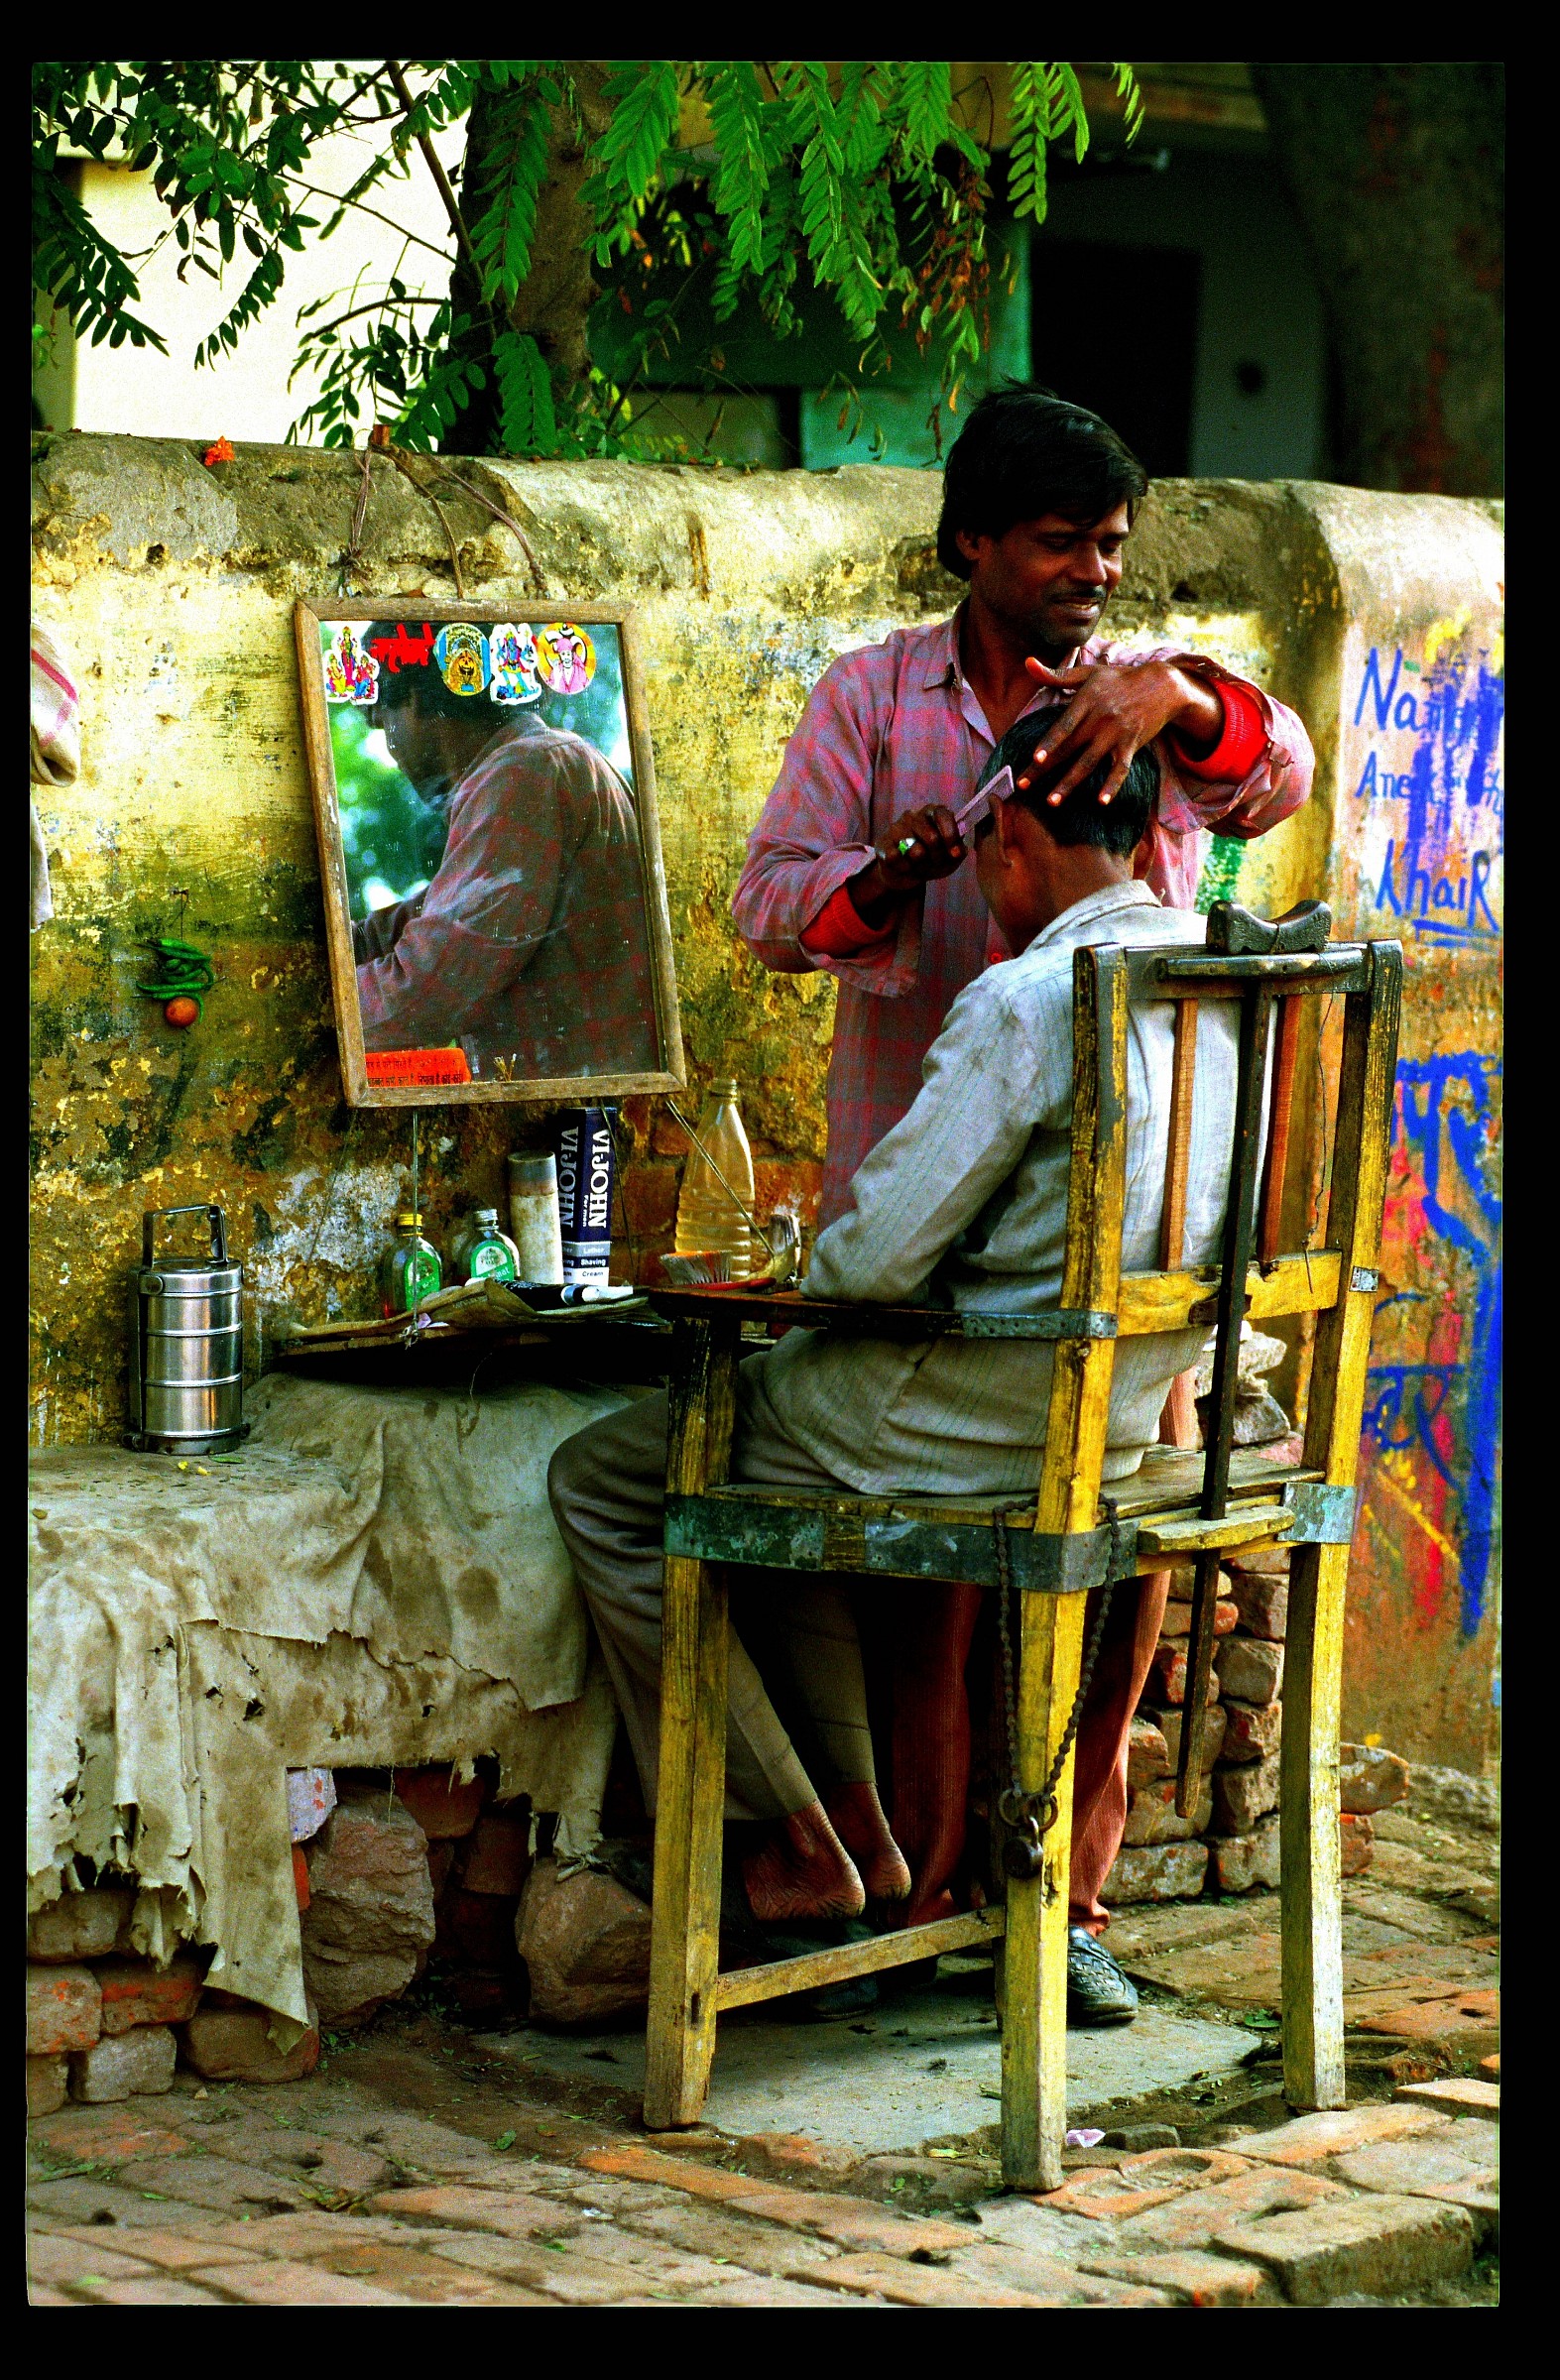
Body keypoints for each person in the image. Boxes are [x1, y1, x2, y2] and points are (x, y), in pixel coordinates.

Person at [728, 383, 1316, 1967]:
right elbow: (767, 909)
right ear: (970, 542)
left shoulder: (1148, 691)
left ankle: (1066, 1897)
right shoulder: (871, 699)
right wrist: (889, 874)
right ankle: (931, 1896)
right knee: (940, 1582)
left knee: (1106, 1568)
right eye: (1060, 544)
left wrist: (1179, 704)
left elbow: (1280, 778)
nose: (1093, 575)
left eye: (1111, 546)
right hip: (927, 1167)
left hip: (1112, 1224)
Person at [549, 739, 1247, 2022]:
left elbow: (870, 1265)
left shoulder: (1027, 1000)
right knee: (762, 1477)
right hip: (1117, 1425)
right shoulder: (1228, 982)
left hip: (958, 1424)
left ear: (1014, 847)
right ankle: (855, 1843)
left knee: (604, 1474)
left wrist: (783, 1268)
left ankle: (795, 1838)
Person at [351, 638, 660, 1082]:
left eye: (385, 726)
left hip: (580, 1119)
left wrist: (312, 1004)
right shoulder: (542, 762)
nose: (391, 750)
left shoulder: (524, 773)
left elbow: (429, 990)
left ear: (416, 699)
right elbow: (437, 918)